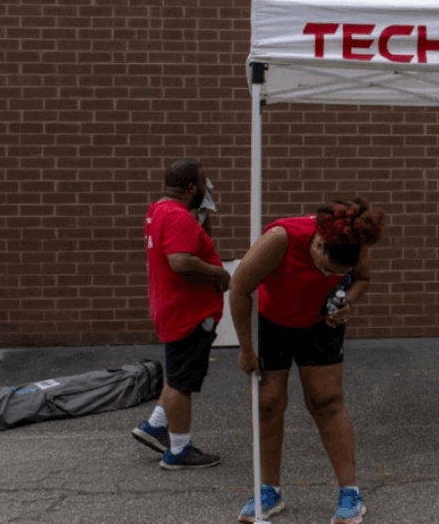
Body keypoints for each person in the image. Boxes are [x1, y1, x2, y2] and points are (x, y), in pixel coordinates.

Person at [229, 198, 386, 524]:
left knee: (326, 401)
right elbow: (239, 288)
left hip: (320, 322)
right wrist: (245, 349)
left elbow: (361, 279)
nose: (326, 273)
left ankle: (350, 495)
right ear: (318, 240)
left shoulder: (354, 242)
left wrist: (347, 304)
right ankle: (268, 491)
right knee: (267, 403)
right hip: (270, 322)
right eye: (324, 265)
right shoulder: (281, 239)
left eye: (334, 273)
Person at [132, 158, 231, 469]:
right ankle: (179, 450)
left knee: (177, 373)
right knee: (181, 383)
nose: (206, 189)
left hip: (172, 307)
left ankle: (156, 424)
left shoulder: (159, 210)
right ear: (191, 187)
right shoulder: (179, 217)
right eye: (203, 184)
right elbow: (181, 261)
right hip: (187, 312)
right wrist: (218, 274)